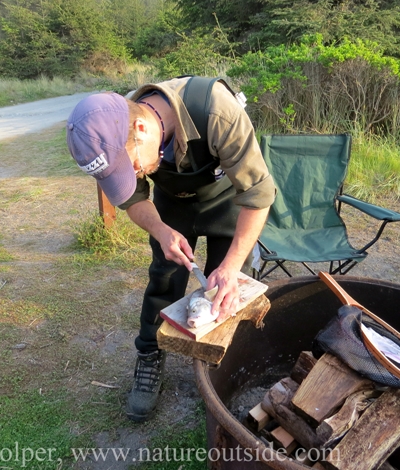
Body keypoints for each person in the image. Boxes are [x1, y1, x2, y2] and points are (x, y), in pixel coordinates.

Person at [66, 76, 275, 422]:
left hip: (227, 200)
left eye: (130, 165)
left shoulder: (217, 111)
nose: (131, 175)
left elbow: (258, 195)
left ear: (141, 127)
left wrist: (232, 265)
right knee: (164, 277)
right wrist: (161, 231)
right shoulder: (117, 131)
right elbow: (133, 197)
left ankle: (224, 366)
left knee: (226, 291)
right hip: (172, 204)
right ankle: (149, 356)